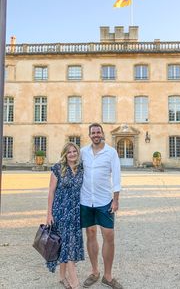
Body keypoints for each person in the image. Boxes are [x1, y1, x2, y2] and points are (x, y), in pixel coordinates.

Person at [80, 123, 123, 289]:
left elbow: (117, 177)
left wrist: (116, 199)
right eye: (93, 132)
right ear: (90, 135)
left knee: (109, 236)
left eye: (98, 132)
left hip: (104, 200)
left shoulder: (111, 152)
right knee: (90, 234)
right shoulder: (83, 152)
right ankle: (95, 271)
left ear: (102, 133)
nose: (96, 134)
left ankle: (108, 276)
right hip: (85, 200)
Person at [46, 142, 84, 289]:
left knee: (66, 244)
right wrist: (49, 214)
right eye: (69, 152)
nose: (72, 154)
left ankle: (62, 277)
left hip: (75, 213)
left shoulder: (81, 169)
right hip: (60, 212)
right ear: (65, 154)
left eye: (74, 151)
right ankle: (75, 284)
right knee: (68, 246)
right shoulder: (57, 168)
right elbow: (51, 192)